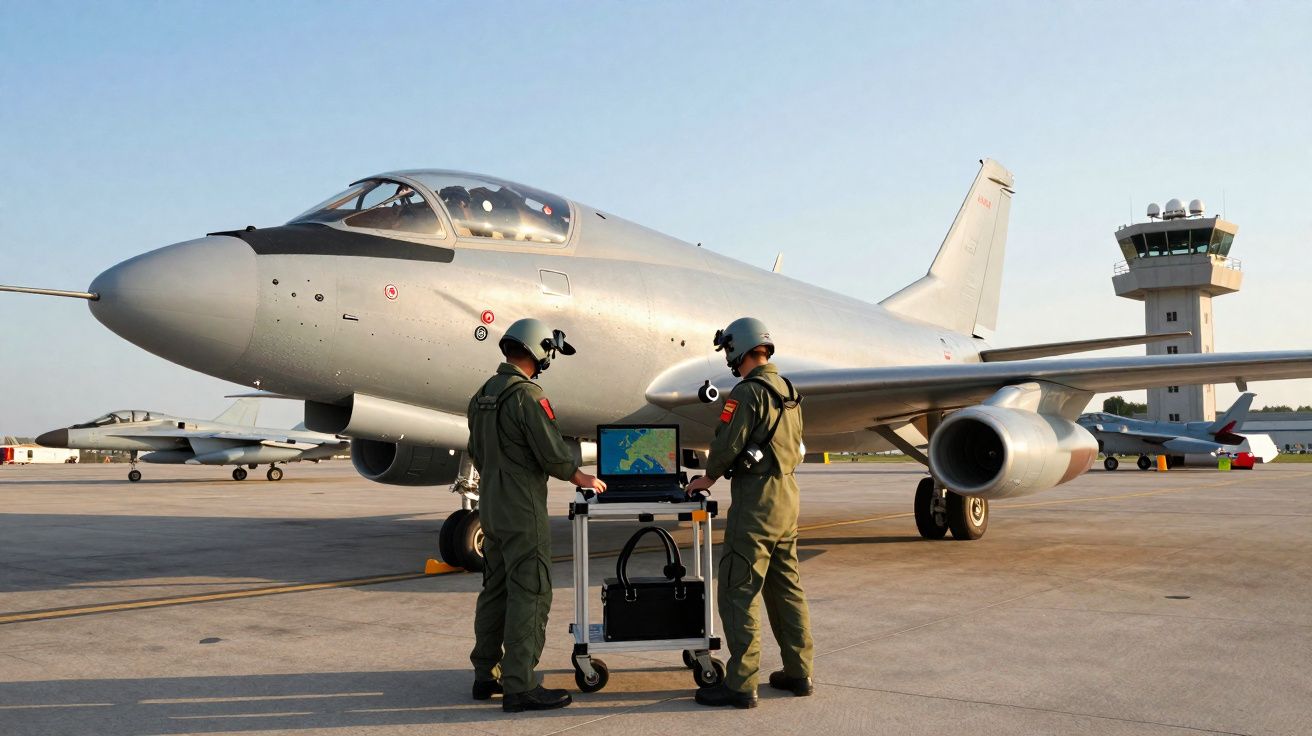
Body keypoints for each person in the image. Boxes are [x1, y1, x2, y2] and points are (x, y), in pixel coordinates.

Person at [466, 317, 607, 713]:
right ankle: (520, 685)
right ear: (539, 351)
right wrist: (579, 475)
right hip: (522, 508)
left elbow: (474, 450)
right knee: (531, 592)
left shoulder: (481, 395)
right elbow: (549, 451)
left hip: (490, 507)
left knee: (495, 590)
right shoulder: (527, 396)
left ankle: (484, 675)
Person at [684, 317, 814, 709]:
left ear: (738, 349)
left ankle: (741, 683)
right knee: (787, 589)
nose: (728, 357)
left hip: (756, 503)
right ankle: (799, 672)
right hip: (788, 499)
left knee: (739, 592)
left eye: (728, 350)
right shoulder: (789, 391)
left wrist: (706, 477)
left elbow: (727, 444)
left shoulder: (747, 393)